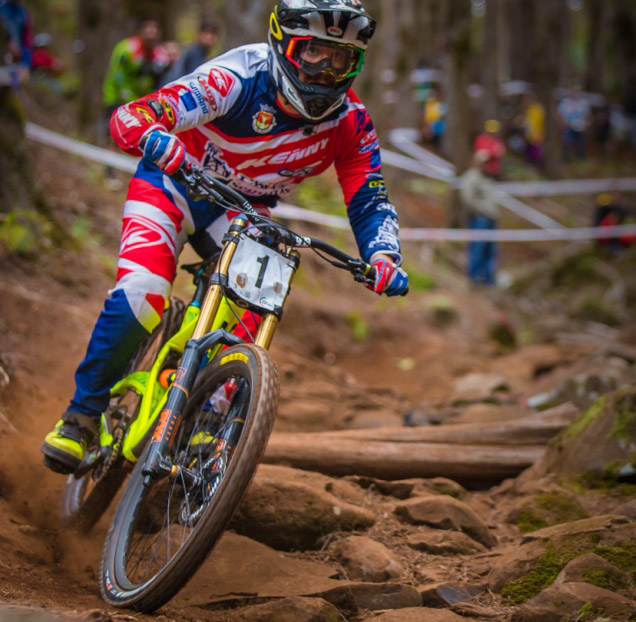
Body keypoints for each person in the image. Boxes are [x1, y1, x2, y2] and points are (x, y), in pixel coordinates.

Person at [41, 0, 409, 473]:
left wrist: (382, 254)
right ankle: (82, 416)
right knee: (143, 293)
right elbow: (132, 116)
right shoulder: (238, 76)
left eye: (341, 58)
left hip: (242, 212)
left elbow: (369, 198)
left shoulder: (351, 123)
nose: (326, 69)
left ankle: (202, 423)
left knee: (252, 310)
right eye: (315, 52)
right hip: (172, 185)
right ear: (284, 43)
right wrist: (155, 135)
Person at [102, 17, 172, 117]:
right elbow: (118, 77)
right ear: (141, 32)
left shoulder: (160, 54)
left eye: (153, 35)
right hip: (117, 100)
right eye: (148, 34)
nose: (150, 38)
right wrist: (132, 100)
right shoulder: (126, 50)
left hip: (142, 102)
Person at [460, 150, 499, 286]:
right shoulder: (471, 177)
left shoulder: (486, 177)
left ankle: (488, 277)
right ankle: (474, 276)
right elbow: (468, 198)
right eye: (483, 162)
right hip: (479, 219)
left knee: (490, 249)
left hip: (490, 218)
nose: (484, 165)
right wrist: (480, 211)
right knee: (478, 248)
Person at [557, 86, 590, 162]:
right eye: (572, 92)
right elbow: (559, 114)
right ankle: (565, 158)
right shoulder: (565, 102)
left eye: (576, 92)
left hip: (580, 128)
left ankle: (580, 158)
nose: (574, 94)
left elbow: (587, 115)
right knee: (566, 141)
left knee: (581, 143)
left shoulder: (583, 103)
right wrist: (562, 123)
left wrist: (585, 125)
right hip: (568, 126)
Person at [0, 0, 32, 68]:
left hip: (19, 54)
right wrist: (8, 43)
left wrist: (26, 62)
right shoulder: (0, 7)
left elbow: (26, 37)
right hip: (4, 52)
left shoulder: (22, 11)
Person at [519, 93, 545, 167]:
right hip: (528, 136)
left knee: (536, 154)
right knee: (528, 154)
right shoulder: (527, 109)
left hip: (537, 135)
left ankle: (538, 168)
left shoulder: (538, 109)